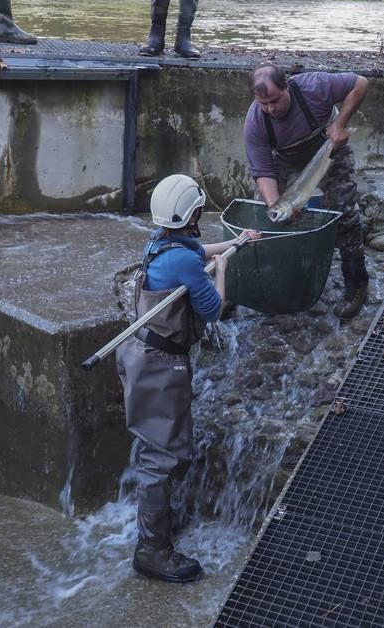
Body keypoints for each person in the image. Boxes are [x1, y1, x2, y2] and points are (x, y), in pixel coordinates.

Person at [116, 174, 260, 583]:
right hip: (160, 365)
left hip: (140, 353)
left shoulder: (163, 240)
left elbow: (197, 252)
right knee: (162, 455)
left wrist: (236, 242)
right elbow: (214, 309)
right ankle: (152, 549)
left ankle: (156, 519)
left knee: (158, 447)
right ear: (194, 212)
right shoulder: (182, 257)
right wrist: (224, 268)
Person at [244, 64, 369, 319]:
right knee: (265, 215)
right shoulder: (256, 121)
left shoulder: (315, 86)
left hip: (329, 146)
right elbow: (263, 171)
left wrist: (340, 124)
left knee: (344, 213)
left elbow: (360, 82)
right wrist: (275, 206)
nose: (270, 109)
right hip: (285, 157)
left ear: (286, 87)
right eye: (263, 103)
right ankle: (268, 277)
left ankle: (356, 283)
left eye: (275, 100)